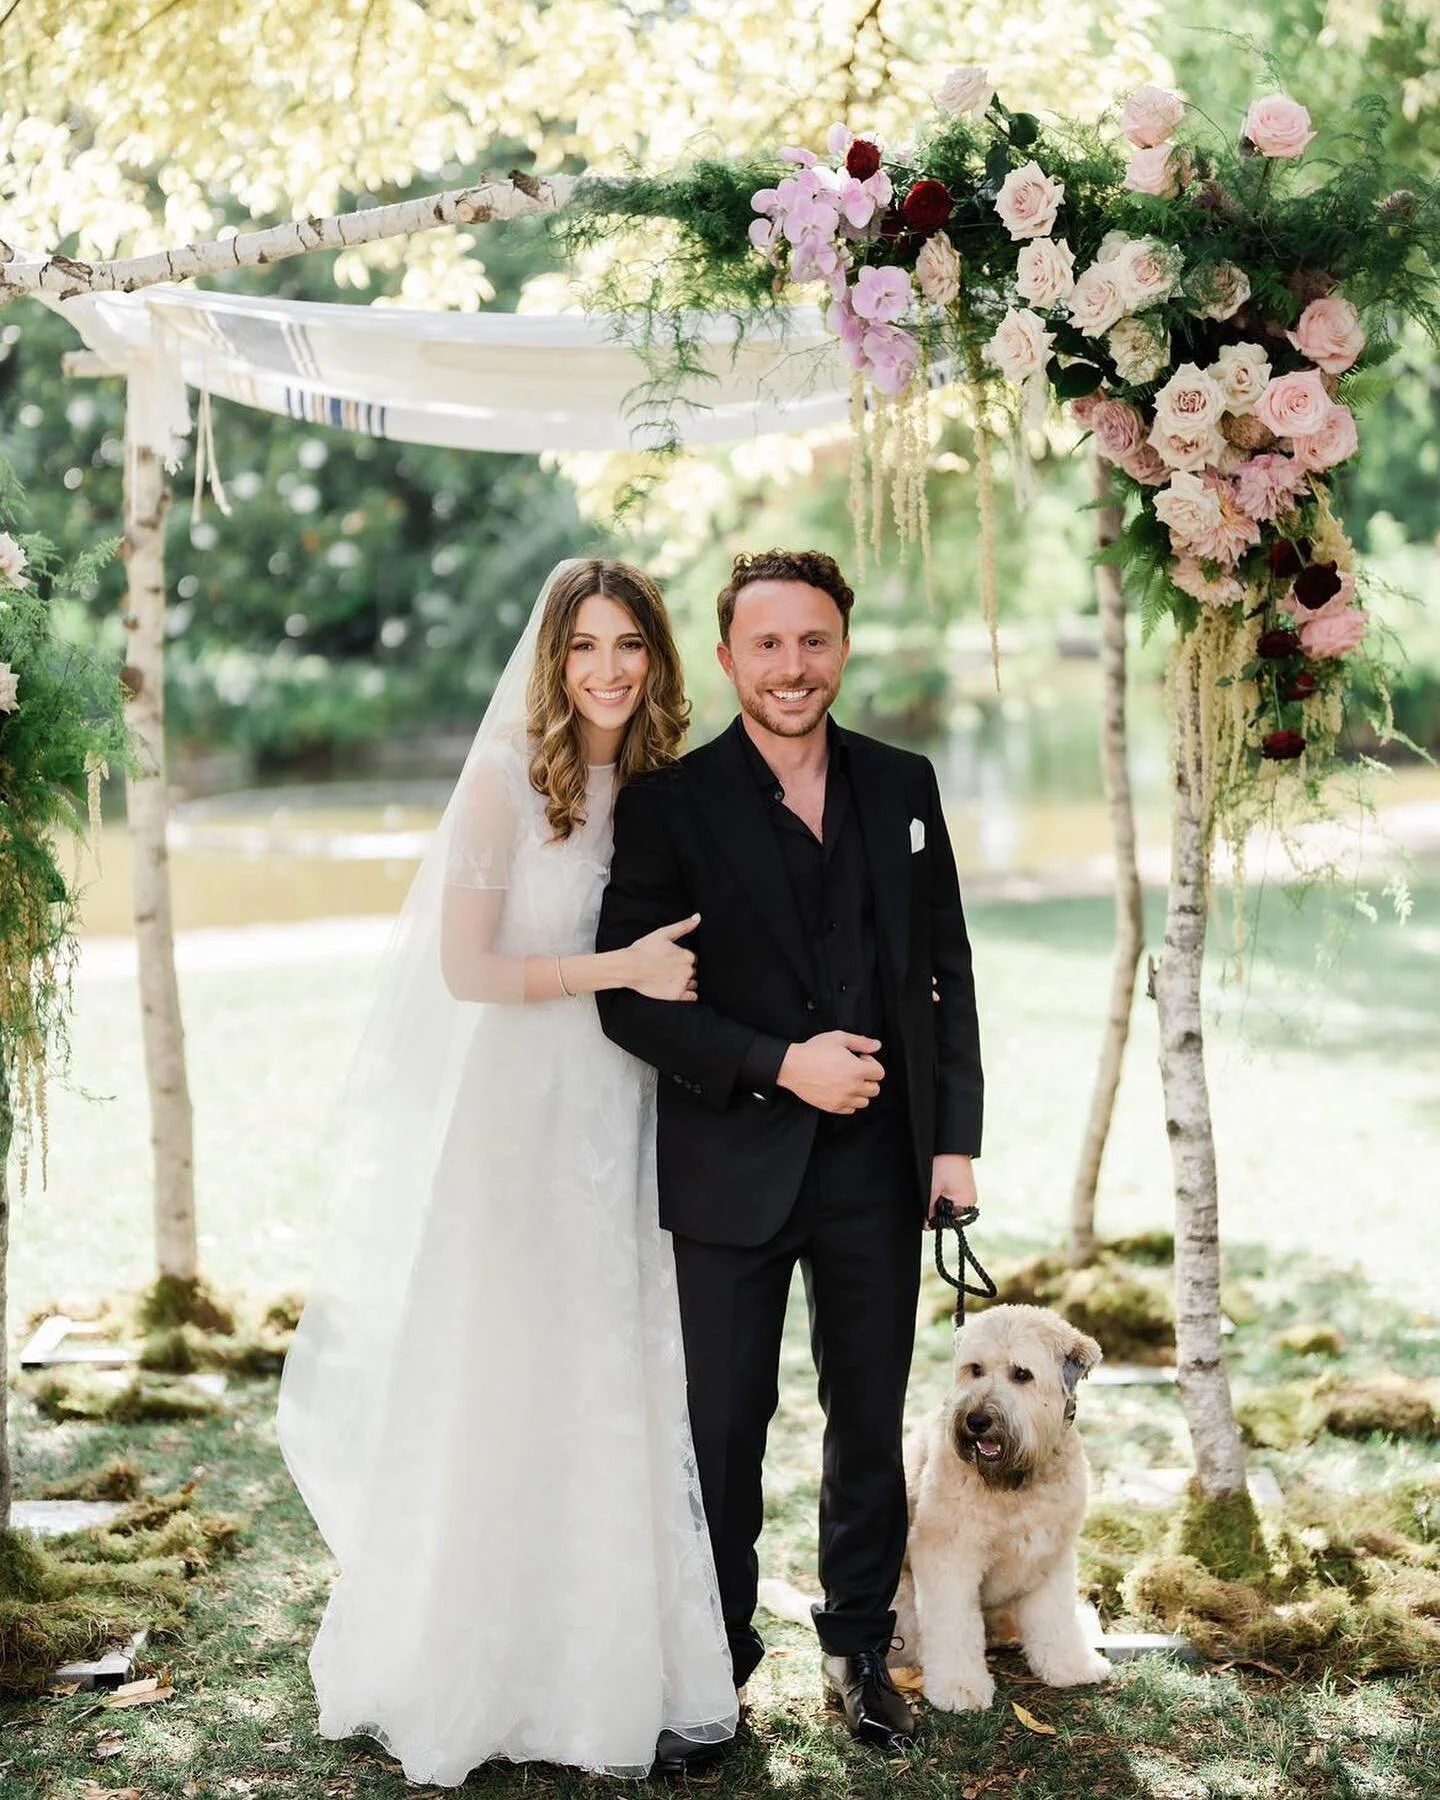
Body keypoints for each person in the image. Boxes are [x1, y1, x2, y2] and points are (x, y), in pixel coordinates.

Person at [277, 559, 738, 1784]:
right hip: (519, 1112)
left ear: (656, 658)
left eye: (628, 645)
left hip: (623, 1110)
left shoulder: (660, 790)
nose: (607, 669)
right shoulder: (500, 785)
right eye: (584, 646)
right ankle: (479, 1661)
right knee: (505, 1361)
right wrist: (617, 972)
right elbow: (467, 971)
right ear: (552, 657)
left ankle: (614, 1667)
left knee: (616, 1362)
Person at [596, 547, 984, 1753]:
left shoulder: (905, 783)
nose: (791, 667)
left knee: (867, 1422)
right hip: (729, 1169)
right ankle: (714, 1679)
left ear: (844, 647)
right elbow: (632, 1002)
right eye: (766, 645)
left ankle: (860, 1655)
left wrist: (955, 1147)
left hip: (880, 1168)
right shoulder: (666, 804)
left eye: (813, 640)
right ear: (725, 659)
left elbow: (947, 974)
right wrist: (782, 1063)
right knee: (725, 1429)